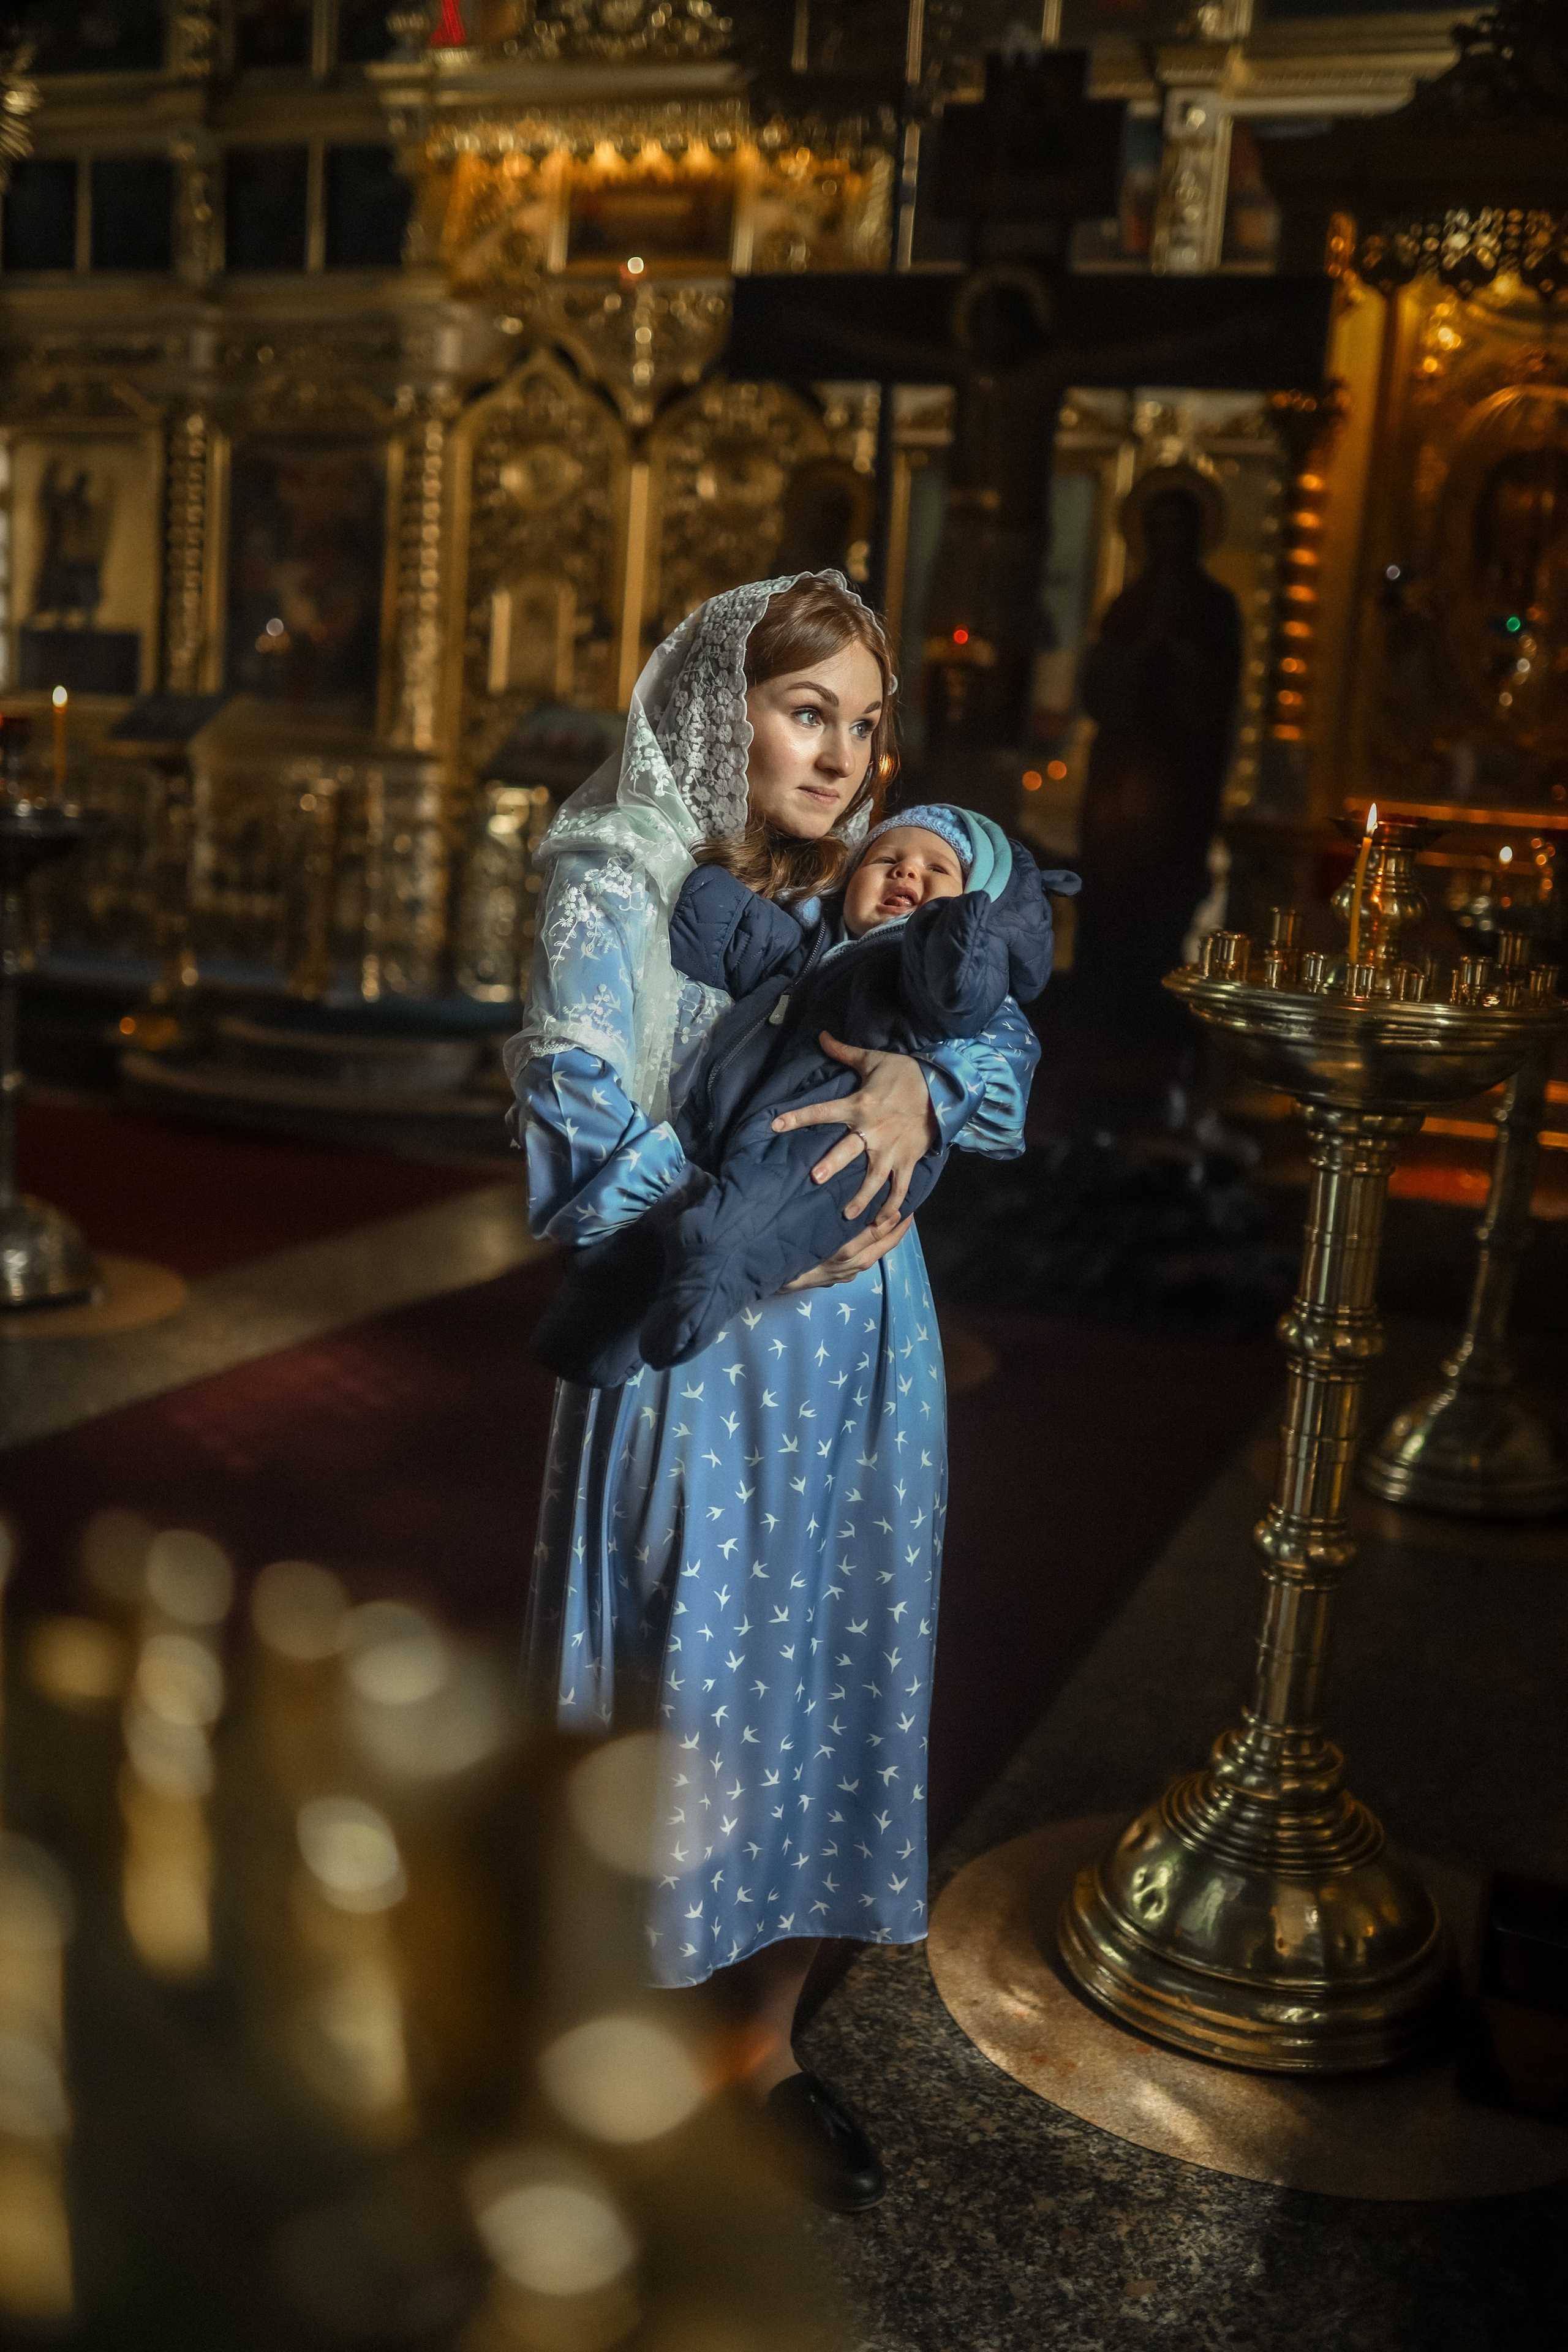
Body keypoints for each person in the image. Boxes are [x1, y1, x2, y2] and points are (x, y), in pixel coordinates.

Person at [507, 572, 1041, 2212]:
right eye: (808, 710)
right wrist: (763, 1174)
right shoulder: (612, 882)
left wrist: (917, 1086)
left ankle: (764, 2048)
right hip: (700, 1350)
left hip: (868, 1357)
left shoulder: (879, 881)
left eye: (866, 724)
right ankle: (609, 2044)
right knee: (679, 1690)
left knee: (828, 1667)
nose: (842, 755)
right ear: (714, 700)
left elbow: (1001, 1051)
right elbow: (577, 1172)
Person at [531, 804, 1069, 1384]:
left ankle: (719, 1271)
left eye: (936, 870)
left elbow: (990, 1035)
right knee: (642, 1259)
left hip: (840, 1141)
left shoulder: (945, 972)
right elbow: (742, 936)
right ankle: (593, 1336)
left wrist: (934, 1073)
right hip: (732, 1127)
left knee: (765, 1212)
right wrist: (704, 898)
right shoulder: (814, 941)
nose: (906, 874)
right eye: (887, 859)